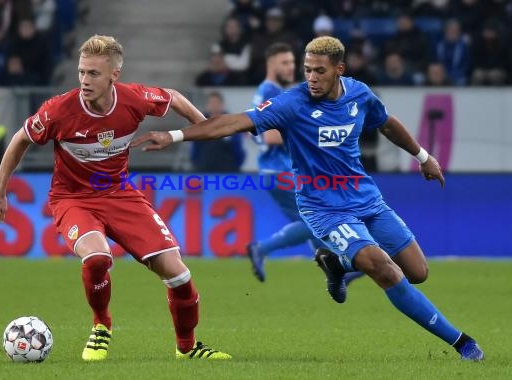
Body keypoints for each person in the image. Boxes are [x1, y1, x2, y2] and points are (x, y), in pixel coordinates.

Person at [131, 36, 484, 361]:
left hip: (366, 197)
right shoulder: (291, 104)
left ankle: (337, 264)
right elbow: (234, 123)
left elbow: (386, 122)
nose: (311, 77)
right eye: (307, 70)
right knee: (384, 269)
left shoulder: (358, 95)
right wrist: (176, 134)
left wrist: (423, 157)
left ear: (339, 70)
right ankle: (462, 342)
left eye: (319, 70)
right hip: (323, 207)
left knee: (418, 272)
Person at [0, 35, 231, 362]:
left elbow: (173, 97)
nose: (85, 80)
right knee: (98, 258)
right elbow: (20, 139)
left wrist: (204, 125)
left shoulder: (133, 99)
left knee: (179, 275)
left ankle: (187, 348)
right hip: (73, 198)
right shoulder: (59, 110)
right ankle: (102, 324)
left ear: (114, 75)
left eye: (93, 74)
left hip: (120, 194)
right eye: (82, 72)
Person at [247, 41, 363, 285]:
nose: (291, 68)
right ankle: (262, 248)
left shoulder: (266, 91)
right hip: (282, 171)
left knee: (312, 221)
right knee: (318, 219)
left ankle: (335, 269)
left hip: (273, 171)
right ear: (271, 64)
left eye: (292, 63)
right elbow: (270, 135)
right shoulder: (271, 92)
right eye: (285, 63)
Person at [190, 91, 245, 172]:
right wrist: (198, 165)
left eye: (216, 103)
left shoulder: (232, 123)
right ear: (207, 105)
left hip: (228, 170)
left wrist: (235, 166)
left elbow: (238, 149)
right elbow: (195, 149)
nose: (214, 105)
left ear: (222, 104)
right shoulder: (199, 124)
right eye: (211, 103)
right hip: (204, 170)